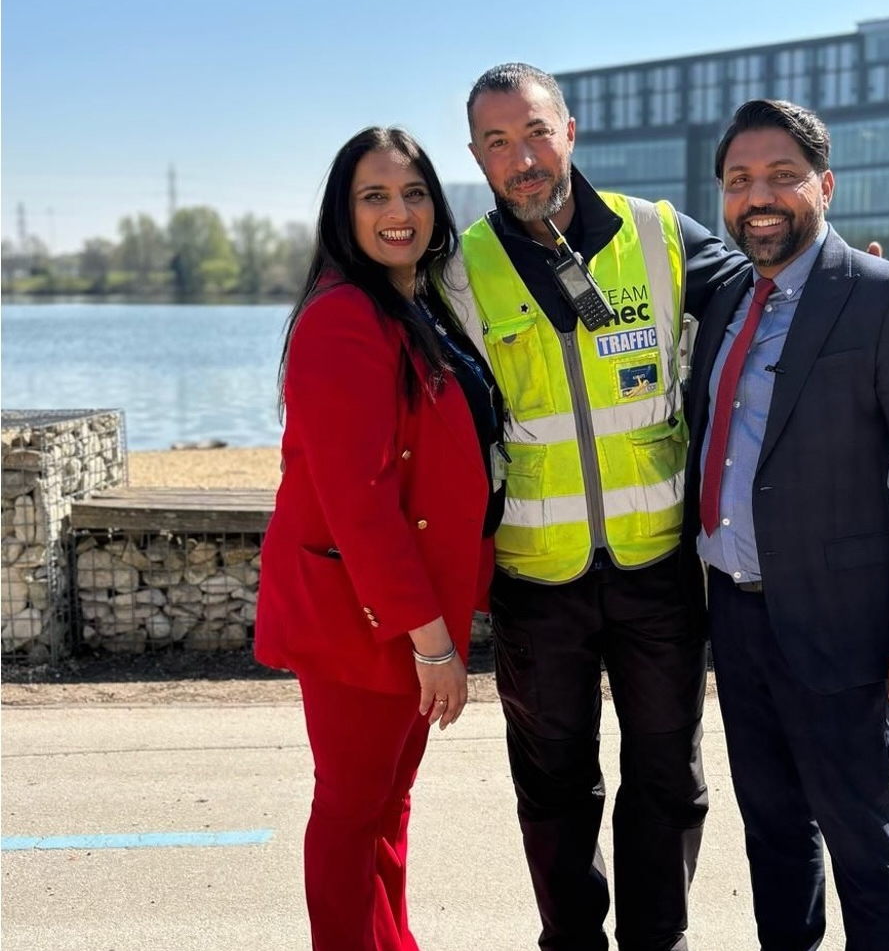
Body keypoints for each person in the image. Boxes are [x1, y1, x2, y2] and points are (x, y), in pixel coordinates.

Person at [438, 63, 750, 951]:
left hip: (657, 567)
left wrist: (848, 291)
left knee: (667, 775)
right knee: (555, 786)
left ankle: (660, 941)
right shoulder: (460, 270)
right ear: (477, 157)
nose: (521, 157)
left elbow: (767, 291)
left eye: (535, 131)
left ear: (569, 130)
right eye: (498, 142)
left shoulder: (657, 233)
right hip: (538, 577)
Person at [682, 98, 889, 951]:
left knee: (863, 845)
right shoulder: (730, 295)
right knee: (773, 835)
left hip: (844, 627)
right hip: (736, 618)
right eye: (740, 181)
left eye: (781, 175)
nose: (758, 196)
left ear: (826, 185)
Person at [254, 126, 503, 951]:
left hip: (402, 611)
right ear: (343, 212)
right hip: (363, 616)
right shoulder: (343, 317)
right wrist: (433, 642)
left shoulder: (410, 303)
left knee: (386, 804)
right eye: (376, 196)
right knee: (351, 810)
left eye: (415, 193)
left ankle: (392, 940)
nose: (399, 212)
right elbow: (357, 499)